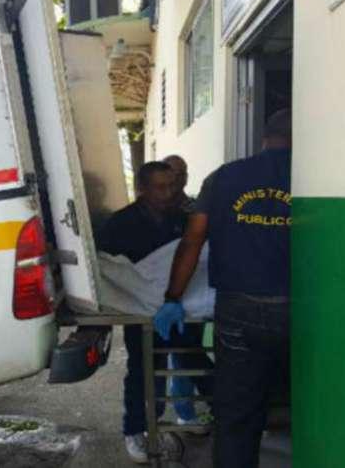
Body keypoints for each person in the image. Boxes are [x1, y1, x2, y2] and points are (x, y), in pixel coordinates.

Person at [155, 109, 292, 468]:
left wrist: (173, 298)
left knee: (237, 413)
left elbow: (193, 239)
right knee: (307, 400)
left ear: (264, 138)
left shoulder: (223, 177)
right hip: (302, 309)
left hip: (238, 309)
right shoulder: (315, 177)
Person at [97, 161, 213, 464]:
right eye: (160, 187)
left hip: (180, 307)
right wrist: (144, 292)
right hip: (141, 310)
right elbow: (112, 270)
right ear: (141, 189)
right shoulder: (120, 223)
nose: (168, 193)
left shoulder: (184, 219)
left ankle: (217, 411)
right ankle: (136, 429)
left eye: (172, 185)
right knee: (143, 370)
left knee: (193, 358)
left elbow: (196, 259)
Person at [162, 154, 213, 427]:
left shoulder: (196, 208)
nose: (178, 178)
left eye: (183, 172)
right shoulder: (153, 208)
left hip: (194, 293)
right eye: (172, 172)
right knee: (164, 356)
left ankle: (185, 412)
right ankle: (155, 417)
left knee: (185, 354)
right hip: (160, 294)